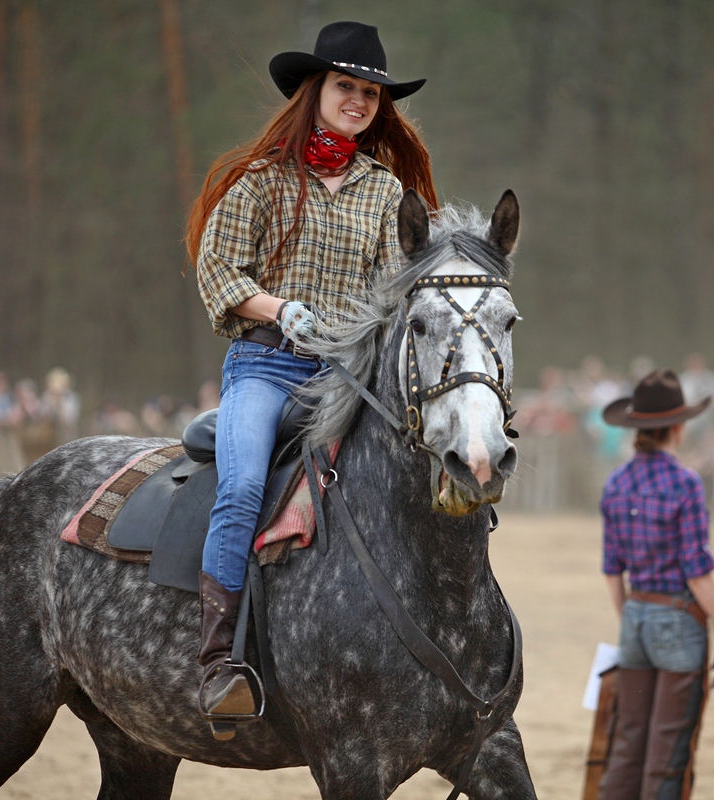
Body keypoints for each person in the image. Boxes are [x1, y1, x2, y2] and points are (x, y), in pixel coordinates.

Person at [184, 21, 436, 735]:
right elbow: (218, 271)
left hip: (344, 378)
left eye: (368, 92)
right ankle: (217, 665)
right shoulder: (261, 181)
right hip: (264, 366)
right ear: (314, 91)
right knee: (239, 488)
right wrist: (279, 308)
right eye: (344, 86)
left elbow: (400, 286)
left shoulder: (385, 193)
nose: (357, 100)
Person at [598, 369, 714, 800]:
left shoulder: (615, 484)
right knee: (667, 753)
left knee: (626, 745)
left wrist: (632, 618)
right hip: (678, 620)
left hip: (635, 615)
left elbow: (611, 568)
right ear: (677, 427)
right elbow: (696, 569)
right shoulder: (686, 484)